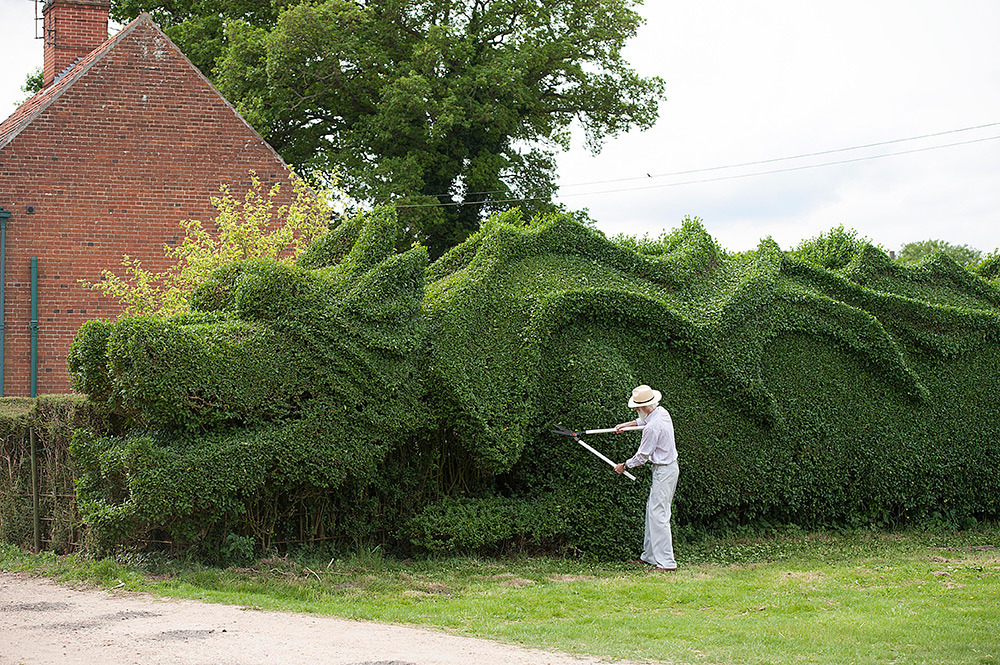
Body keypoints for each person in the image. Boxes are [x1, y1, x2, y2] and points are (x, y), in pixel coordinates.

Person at [613, 384, 679, 571]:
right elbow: (644, 421)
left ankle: (666, 563)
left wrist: (624, 466)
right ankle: (649, 556)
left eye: (636, 408)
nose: (635, 410)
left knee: (659, 515)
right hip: (664, 470)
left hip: (665, 470)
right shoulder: (661, 412)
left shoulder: (653, 427)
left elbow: (642, 456)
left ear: (642, 407)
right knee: (653, 511)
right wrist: (626, 425)